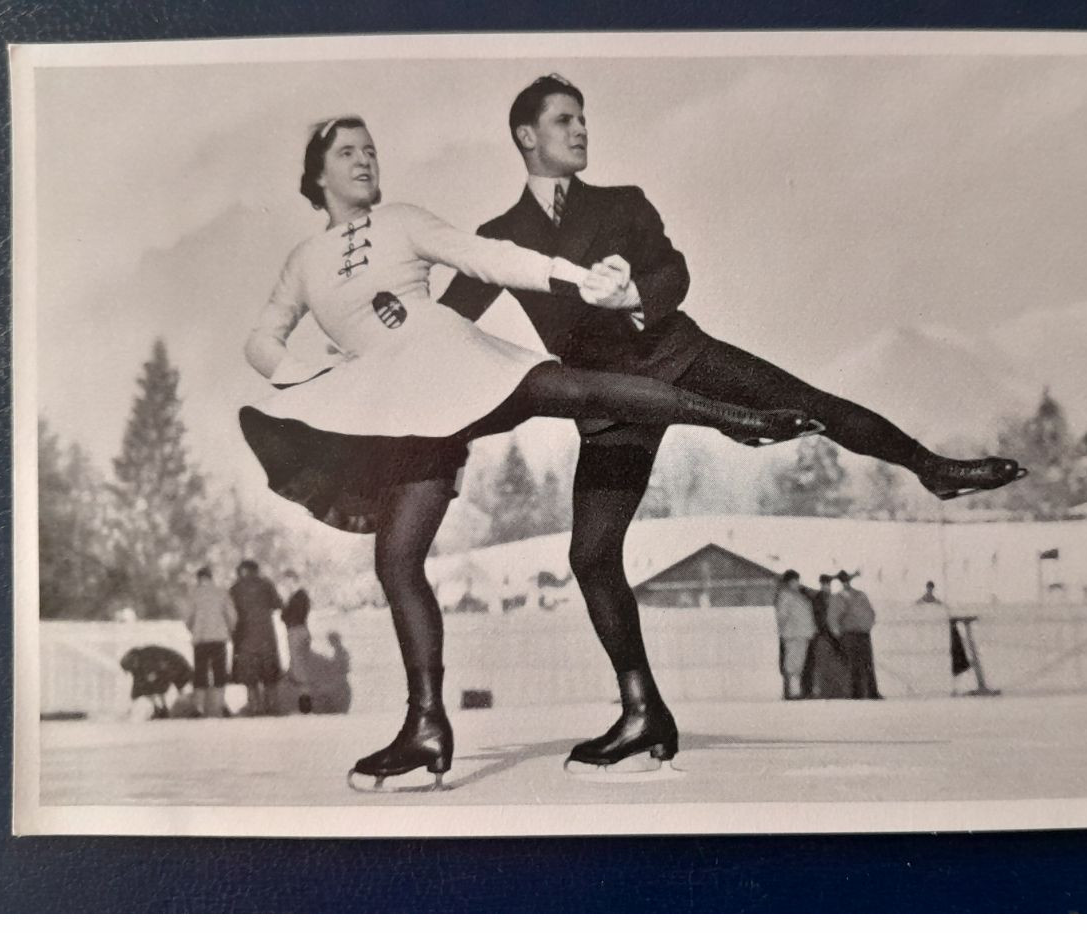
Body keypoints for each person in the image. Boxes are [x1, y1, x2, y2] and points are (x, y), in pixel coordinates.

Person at [439, 75, 1027, 768]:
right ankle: (643, 713)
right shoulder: (500, 238)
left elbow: (672, 271)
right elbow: (447, 324)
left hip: (680, 353)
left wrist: (635, 294)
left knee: (813, 403)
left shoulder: (622, 202)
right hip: (609, 401)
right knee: (591, 556)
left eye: (584, 120)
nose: (581, 131)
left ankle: (932, 469)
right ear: (526, 136)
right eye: (565, 120)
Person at [238, 115, 818, 789]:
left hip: (448, 358)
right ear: (317, 174)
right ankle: (425, 725)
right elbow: (263, 338)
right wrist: (305, 375)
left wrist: (571, 279)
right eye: (347, 152)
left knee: (579, 389)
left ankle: (736, 416)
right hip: (397, 407)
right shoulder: (302, 264)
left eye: (370, 149)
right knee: (397, 563)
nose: (365, 159)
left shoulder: (400, 219)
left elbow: (487, 256)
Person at [229, 559, 283, 716]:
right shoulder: (266, 585)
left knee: (250, 676)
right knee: (269, 675)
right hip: (266, 638)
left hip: (244, 638)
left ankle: (255, 707)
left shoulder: (236, 588)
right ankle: (272, 706)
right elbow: (278, 604)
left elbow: (229, 611)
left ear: (242, 571)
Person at [183, 565, 237, 717]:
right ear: (211, 577)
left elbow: (187, 618)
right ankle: (221, 706)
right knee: (220, 672)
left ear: (199, 579)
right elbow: (232, 616)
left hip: (200, 639)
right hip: (219, 638)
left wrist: (194, 630)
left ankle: (199, 708)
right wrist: (228, 630)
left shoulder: (193, 594)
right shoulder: (221, 593)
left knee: (200, 673)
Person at [828, 570, 882, 700]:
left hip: (863, 632)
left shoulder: (861, 595)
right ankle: (855, 693)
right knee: (853, 664)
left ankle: (871, 692)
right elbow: (833, 616)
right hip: (849, 633)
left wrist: (870, 623)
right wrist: (836, 631)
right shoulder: (839, 597)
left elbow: (870, 611)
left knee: (867, 663)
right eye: (843, 580)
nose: (845, 583)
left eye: (846, 580)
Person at [805, 574, 852, 699]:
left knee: (833, 663)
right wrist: (830, 632)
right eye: (825, 584)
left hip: (831, 635)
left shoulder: (831, 598)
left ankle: (835, 691)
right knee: (824, 664)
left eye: (829, 584)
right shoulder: (819, 599)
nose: (827, 587)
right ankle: (824, 691)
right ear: (821, 584)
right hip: (824, 636)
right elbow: (821, 619)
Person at [773, 570, 815, 701]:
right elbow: (782, 616)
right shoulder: (785, 596)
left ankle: (796, 691)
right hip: (792, 633)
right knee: (792, 664)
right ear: (788, 582)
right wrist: (784, 629)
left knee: (799, 663)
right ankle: (792, 692)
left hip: (803, 633)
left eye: (797, 580)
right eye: (793, 581)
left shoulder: (800, 596)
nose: (796, 583)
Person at [119, 645, 193, 720]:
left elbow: (159, 680)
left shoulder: (148, 659)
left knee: (153, 684)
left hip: (176, 667)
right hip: (168, 668)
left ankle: (163, 709)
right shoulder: (138, 663)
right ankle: (160, 709)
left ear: (134, 661)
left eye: (131, 669)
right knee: (147, 685)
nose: (131, 672)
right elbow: (137, 684)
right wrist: (133, 700)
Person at [279, 569, 314, 713]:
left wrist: (285, 612)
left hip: (296, 631)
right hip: (299, 630)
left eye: (287, 581)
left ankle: (305, 703)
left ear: (292, 580)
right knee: (298, 664)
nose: (286, 584)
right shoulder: (299, 595)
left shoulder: (298, 596)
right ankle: (303, 702)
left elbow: (289, 615)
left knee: (298, 665)